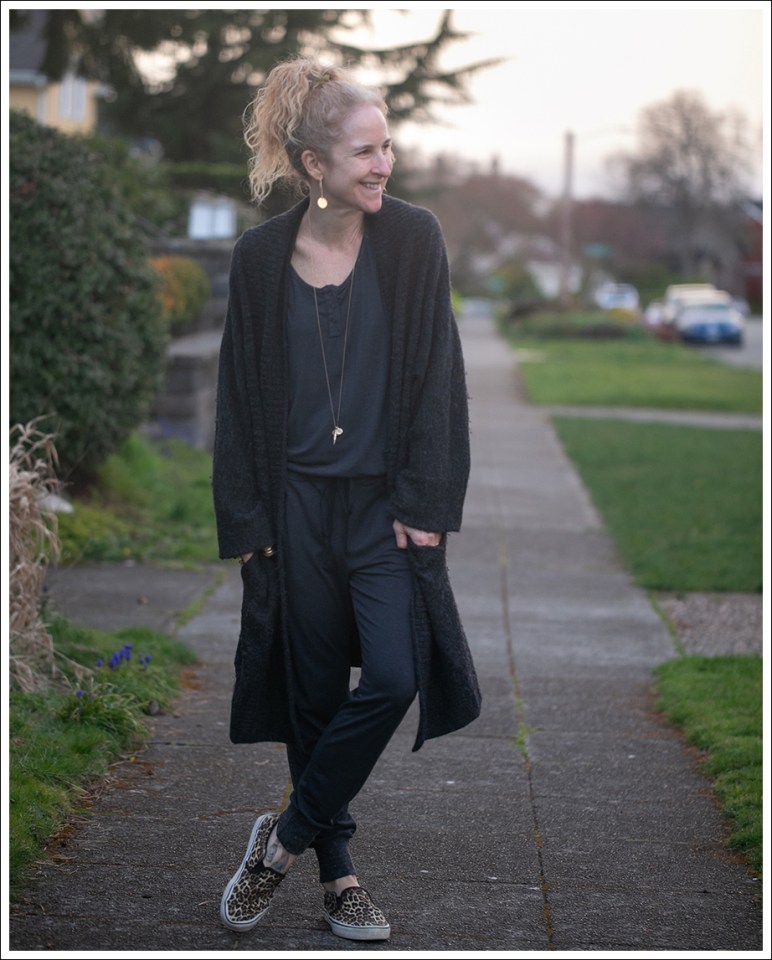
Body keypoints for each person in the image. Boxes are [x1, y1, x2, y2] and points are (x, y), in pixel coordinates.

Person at [212, 56, 481, 943]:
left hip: (381, 508)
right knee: (313, 693)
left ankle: (283, 838)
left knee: (396, 676)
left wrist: (428, 501)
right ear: (313, 164)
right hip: (293, 509)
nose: (383, 164)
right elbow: (237, 398)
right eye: (365, 151)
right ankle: (340, 879)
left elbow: (439, 376)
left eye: (387, 147)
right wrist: (249, 521)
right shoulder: (259, 259)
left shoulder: (412, 240)